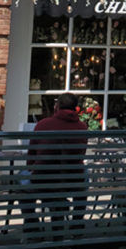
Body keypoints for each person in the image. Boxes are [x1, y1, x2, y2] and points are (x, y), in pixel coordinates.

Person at [26, 93, 89, 232]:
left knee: (21, 184)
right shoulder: (82, 127)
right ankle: (77, 224)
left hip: (43, 180)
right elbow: (81, 155)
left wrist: (31, 167)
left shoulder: (43, 125)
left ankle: (32, 225)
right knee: (84, 177)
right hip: (72, 181)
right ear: (75, 108)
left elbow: (31, 156)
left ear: (57, 106)